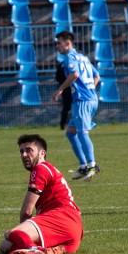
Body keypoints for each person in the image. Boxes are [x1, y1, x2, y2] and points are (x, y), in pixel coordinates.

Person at [0, 134, 83, 254]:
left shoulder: (40, 169)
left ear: (42, 153)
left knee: (12, 234)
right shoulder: (49, 168)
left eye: (29, 150)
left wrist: (23, 231)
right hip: (73, 232)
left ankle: (35, 249)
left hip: (62, 219)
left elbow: (26, 211)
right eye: (21, 151)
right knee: (5, 245)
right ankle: (54, 250)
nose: (24, 155)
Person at [52, 31, 101, 181]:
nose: (57, 46)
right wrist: (90, 89)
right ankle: (82, 166)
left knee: (82, 132)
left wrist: (59, 90)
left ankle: (92, 165)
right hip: (91, 99)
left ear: (68, 43)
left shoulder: (70, 57)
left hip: (82, 100)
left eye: (59, 43)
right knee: (71, 133)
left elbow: (74, 75)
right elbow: (97, 76)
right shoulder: (83, 57)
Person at [54, 56, 72, 130]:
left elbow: (57, 78)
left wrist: (63, 84)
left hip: (65, 88)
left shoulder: (61, 64)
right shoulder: (75, 64)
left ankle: (62, 125)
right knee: (76, 107)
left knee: (66, 107)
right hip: (73, 88)